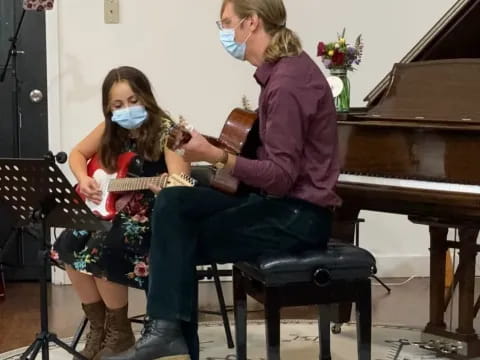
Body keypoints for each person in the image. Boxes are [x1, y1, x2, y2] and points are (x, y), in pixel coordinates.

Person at [103, 0, 340, 359]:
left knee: (173, 235)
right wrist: (209, 151)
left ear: (252, 23)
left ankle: (169, 337)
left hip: (298, 216)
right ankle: (167, 334)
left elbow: (279, 178)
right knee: (174, 200)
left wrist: (215, 156)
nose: (223, 32)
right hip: (276, 203)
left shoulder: (287, 85)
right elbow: (269, 161)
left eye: (226, 23)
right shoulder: (280, 74)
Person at [52, 66, 189, 360]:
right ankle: (101, 327)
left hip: (149, 214)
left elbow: (181, 181)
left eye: (132, 101)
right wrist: (84, 178)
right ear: (108, 108)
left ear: (146, 98)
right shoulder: (110, 128)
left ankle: (120, 330)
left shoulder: (170, 131)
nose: (126, 109)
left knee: (103, 248)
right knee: (66, 243)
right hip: (111, 207)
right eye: (117, 105)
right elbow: (77, 154)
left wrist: (166, 187)